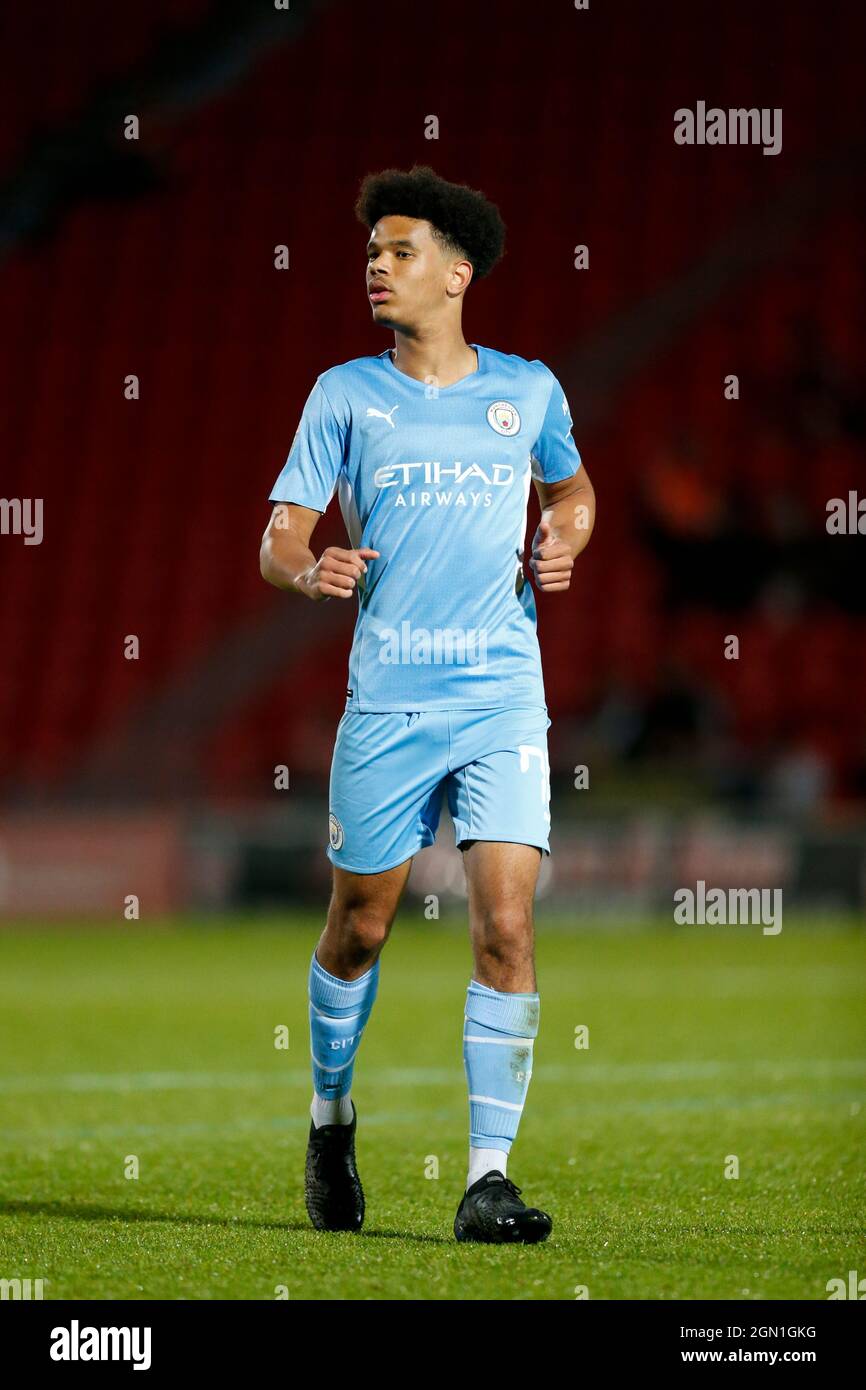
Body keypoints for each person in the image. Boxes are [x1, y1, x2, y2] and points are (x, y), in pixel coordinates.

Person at [260, 164, 595, 1243]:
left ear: (456, 272)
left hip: (500, 695)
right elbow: (276, 536)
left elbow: (573, 488)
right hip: (390, 702)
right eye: (371, 253)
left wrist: (566, 533)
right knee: (358, 929)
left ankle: (486, 1178)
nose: (377, 266)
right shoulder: (342, 394)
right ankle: (328, 1117)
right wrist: (306, 566)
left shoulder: (529, 391)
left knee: (504, 924)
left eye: (398, 252)